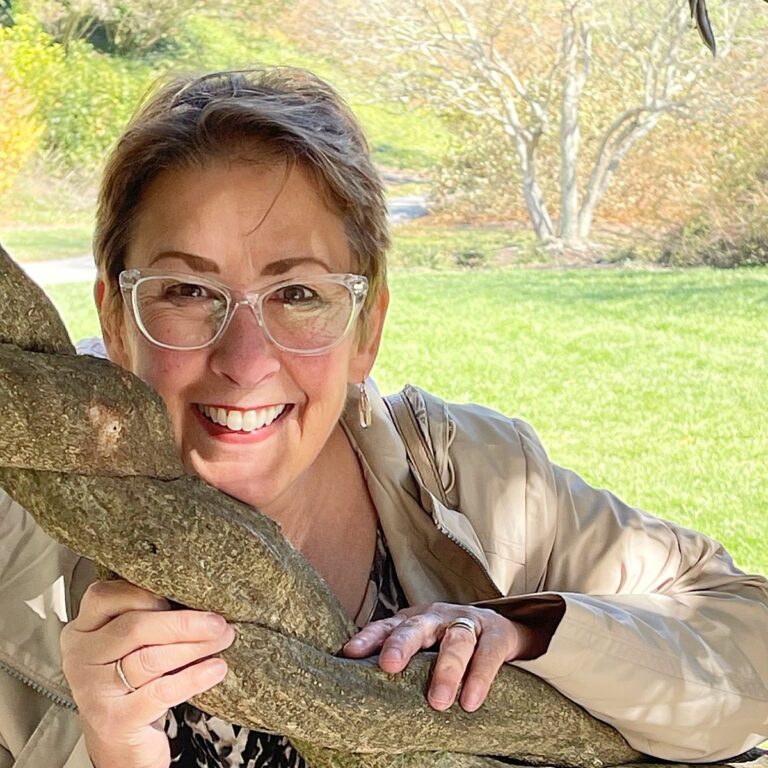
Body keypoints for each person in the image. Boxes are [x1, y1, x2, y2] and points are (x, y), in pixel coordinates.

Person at [0, 66, 766, 768]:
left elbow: (746, 641)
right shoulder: (18, 547)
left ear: (368, 328)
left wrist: (533, 632)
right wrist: (113, 749)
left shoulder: (473, 473)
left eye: (298, 295)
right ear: (116, 314)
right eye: (188, 292)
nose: (244, 359)